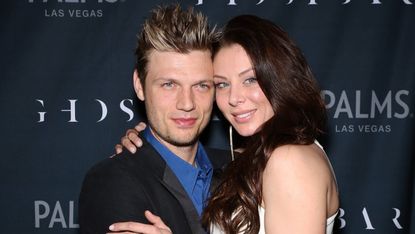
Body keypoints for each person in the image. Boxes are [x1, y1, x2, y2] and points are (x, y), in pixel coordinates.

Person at [111, 14, 339, 234]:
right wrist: (145, 146)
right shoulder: (254, 158)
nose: (234, 98)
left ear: (280, 78)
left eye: (250, 79)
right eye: (221, 84)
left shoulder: (290, 161)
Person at [78, 5, 230, 234]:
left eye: (201, 86)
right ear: (140, 85)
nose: (186, 103)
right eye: (169, 84)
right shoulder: (112, 182)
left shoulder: (240, 168)